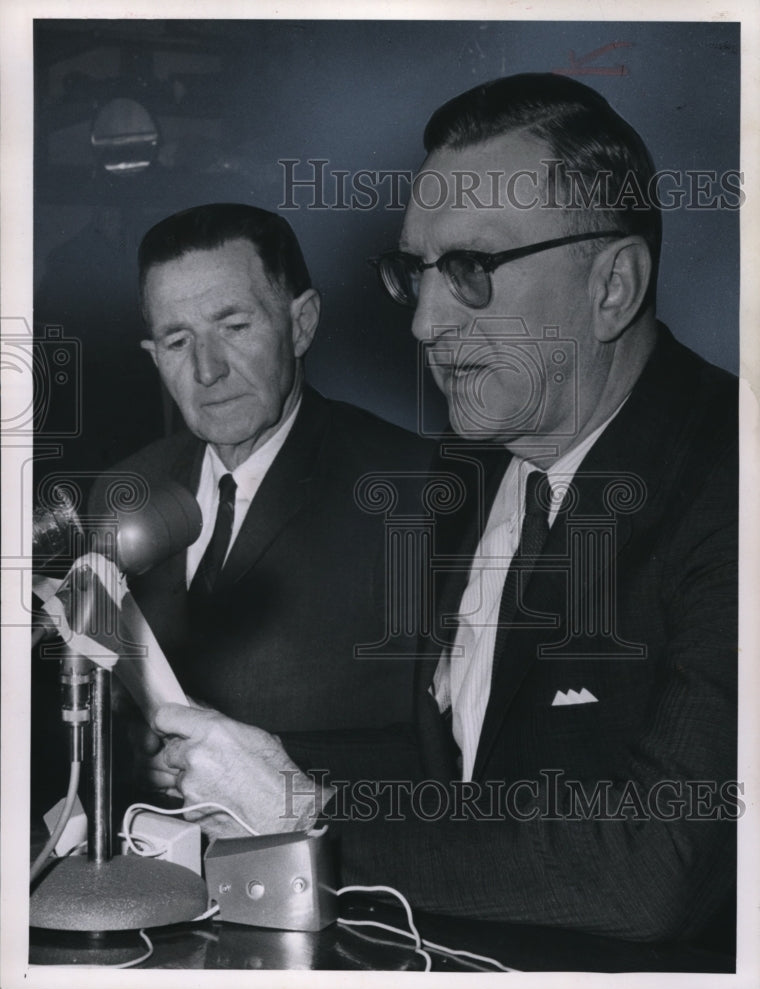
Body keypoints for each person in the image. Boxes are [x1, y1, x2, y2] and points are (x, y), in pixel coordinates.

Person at [147, 76, 738, 945]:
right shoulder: (468, 474)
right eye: (414, 272)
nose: (424, 323)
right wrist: (239, 771)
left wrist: (304, 809)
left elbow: (658, 867)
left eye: (470, 270)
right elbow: (462, 771)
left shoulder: (734, 482)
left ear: (613, 285)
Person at [88, 203, 431, 790]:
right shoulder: (124, 491)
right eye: (177, 340)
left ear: (301, 324)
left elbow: (445, 750)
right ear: (154, 356)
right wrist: (131, 759)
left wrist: (264, 768)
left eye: (235, 327)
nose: (207, 370)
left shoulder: (415, 490)